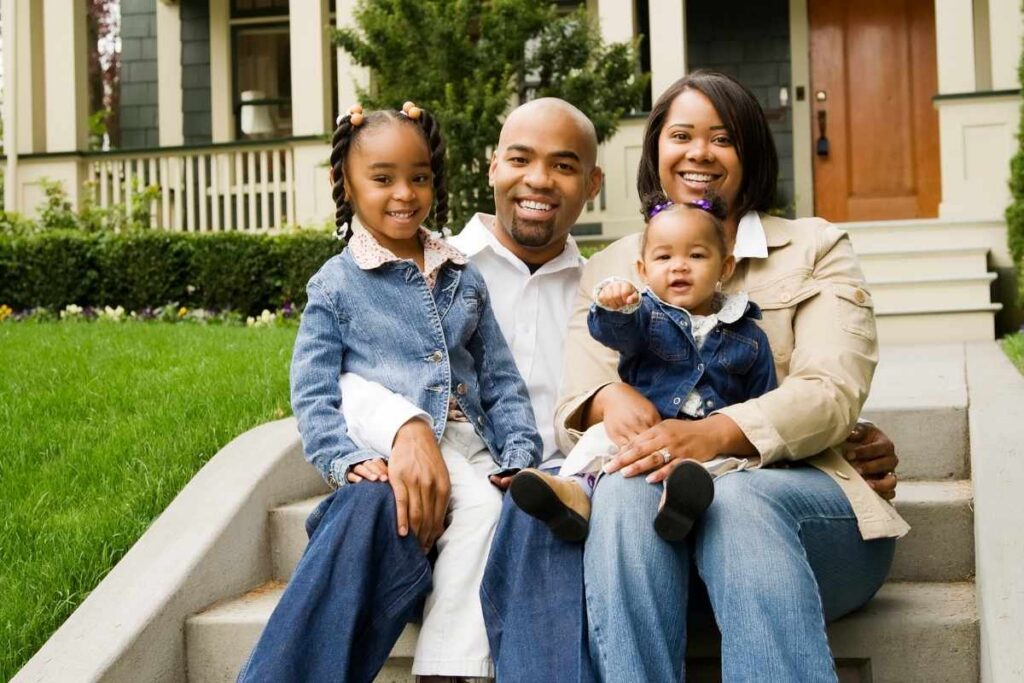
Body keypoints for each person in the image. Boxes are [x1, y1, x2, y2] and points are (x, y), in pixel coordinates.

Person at [554, 70, 911, 682]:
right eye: (681, 135)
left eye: (721, 138)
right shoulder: (615, 267)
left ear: (749, 151)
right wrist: (608, 398)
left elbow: (832, 391)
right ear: (656, 151)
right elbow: (579, 403)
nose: (698, 152)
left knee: (736, 498)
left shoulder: (815, 247)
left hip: (804, 522)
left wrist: (713, 434)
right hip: (652, 549)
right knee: (619, 489)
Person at [238, 101, 543, 682]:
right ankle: (448, 668)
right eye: (382, 178)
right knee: (478, 507)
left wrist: (520, 453)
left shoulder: (461, 275)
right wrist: (344, 459)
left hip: (470, 440)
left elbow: (499, 377)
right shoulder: (337, 283)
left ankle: (451, 658)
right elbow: (313, 389)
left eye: (419, 177)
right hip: (396, 443)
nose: (404, 193)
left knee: (488, 507)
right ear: (344, 183)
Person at [509, 193, 777, 543]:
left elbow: (763, 401)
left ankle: (678, 503)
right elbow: (614, 332)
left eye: (696, 255)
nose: (679, 266)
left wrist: (744, 437)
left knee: (721, 469)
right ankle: (573, 491)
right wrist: (614, 305)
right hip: (643, 430)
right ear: (643, 270)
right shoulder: (646, 316)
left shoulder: (749, 336)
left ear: (725, 267)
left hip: (706, 444)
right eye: (664, 257)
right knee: (598, 440)